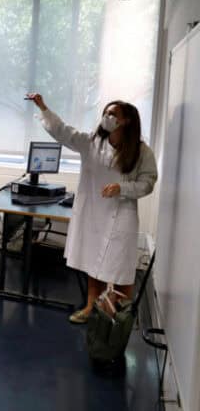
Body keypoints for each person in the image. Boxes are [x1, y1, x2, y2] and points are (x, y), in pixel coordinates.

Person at [26, 93, 158, 324]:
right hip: (93, 212)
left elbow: (148, 182)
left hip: (121, 214)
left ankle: (118, 316)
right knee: (90, 262)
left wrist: (122, 188)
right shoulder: (91, 143)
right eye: (105, 113)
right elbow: (63, 131)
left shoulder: (141, 151)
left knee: (120, 267)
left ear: (126, 120)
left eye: (112, 114)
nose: (107, 117)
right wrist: (43, 107)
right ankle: (90, 307)